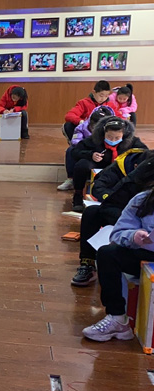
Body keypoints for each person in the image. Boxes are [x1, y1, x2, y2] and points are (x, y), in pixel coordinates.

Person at [71, 148, 153, 286]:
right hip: (126, 215)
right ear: (136, 167)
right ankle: (87, 263)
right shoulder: (126, 171)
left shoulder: (141, 151)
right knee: (92, 212)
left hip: (144, 227)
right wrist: (125, 217)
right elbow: (101, 189)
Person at [82, 188, 154, 342]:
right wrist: (133, 236)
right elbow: (117, 234)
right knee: (107, 254)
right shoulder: (143, 199)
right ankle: (117, 318)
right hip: (147, 254)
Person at [70, 117, 147, 211]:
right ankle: (78, 195)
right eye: (109, 137)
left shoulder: (132, 141)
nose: (113, 140)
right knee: (82, 165)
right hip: (99, 164)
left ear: (124, 135)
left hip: (119, 169)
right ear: (104, 133)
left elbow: (144, 154)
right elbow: (74, 152)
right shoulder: (94, 139)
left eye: (117, 138)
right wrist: (91, 155)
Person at [57, 106, 115, 191]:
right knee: (71, 150)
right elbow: (76, 143)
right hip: (87, 151)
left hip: (105, 155)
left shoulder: (113, 132)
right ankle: (71, 179)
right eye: (93, 127)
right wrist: (88, 150)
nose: (95, 130)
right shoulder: (82, 127)